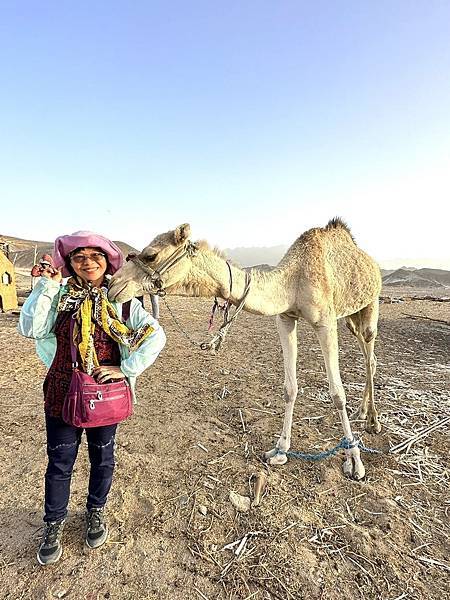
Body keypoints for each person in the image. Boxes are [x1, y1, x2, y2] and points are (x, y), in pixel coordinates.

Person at [18, 231, 166, 566]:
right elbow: (31, 329)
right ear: (69, 262)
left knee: (103, 459)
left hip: (104, 395)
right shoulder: (58, 295)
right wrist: (47, 287)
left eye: (95, 256)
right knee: (59, 463)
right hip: (62, 391)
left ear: (107, 260)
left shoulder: (123, 300)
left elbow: (154, 336)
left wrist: (126, 368)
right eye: (79, 257)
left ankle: (95, 512)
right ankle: (53, 524)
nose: (88, 263)